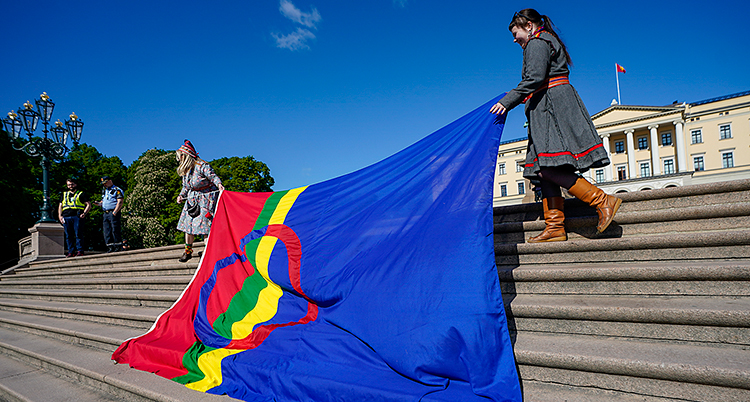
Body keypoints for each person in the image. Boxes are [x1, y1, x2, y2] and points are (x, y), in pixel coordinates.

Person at [490, 8, 622, 243]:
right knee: (545, 168)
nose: (514, 39)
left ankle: (602, 200)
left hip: (550, 107)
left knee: (547, 167)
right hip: (549, 105)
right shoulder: (546, 40)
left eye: (516, 32)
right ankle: (555, 226)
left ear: (529, 26)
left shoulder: (537, 42)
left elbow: (534, 79)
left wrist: (506, 102)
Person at [175, 140, 224, 262]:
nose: (179, 160)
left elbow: (213, 177)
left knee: (205, 226)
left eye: (180, 157)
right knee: (188, 225)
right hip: (192, 199)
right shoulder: (186, 170)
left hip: (206, 198)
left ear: (185, 156)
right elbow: (185, 186)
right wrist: (181, 196)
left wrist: (220, 186)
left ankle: (208, 251)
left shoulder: (202, 166)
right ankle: (188, 251)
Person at [58, 178, 91, 257]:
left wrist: (84, 213)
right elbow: (60, 206)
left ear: (75, 184)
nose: (70, 186)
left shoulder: (81, 194)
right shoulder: (64, 194)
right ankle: (71, 251)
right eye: (69, 185)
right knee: (68, 235)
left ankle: (80, 250)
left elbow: (89, 205)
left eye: (72, 184)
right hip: (66, 216)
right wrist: (60, 216)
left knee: (78, 234)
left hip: (77, 215)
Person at [94, 176, 125, 252]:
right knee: (107, 230)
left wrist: (115, 211)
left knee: (115, 229)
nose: (104, 185)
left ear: (110, 181)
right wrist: (98, 203)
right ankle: (110, 246)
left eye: (105, 183)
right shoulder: (105, 190)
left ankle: (118, 245)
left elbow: (120, 201)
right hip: (105, 213)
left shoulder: (117, 190)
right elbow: (104, 201)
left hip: (113, 212)